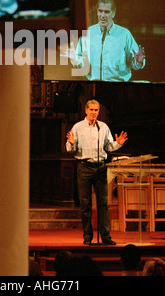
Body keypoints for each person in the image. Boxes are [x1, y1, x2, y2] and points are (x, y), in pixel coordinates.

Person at [66, 99, 128, 245]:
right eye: (91, 110)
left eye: (96, 110)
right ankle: (87, 236)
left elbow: (109, 147)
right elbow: (69, 148)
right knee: (85, 204)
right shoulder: (78, 127)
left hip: (100, 167)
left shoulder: (103, 127)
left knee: (103, 203)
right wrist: (72, 144)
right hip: (84, 167)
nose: (94, 113)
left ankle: (106, 237)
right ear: (86, 111)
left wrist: (117, 144)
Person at [66, 0, 146, 82]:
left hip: (118, 87)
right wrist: (74, 59)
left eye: (106, 12)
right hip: (93, 86)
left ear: (113, 13)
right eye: (100, 11)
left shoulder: (124, 34)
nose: (102, 15)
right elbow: (80, 60)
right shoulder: (87, 32)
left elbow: (134, 64)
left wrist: (138, 61)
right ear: (97, 12)